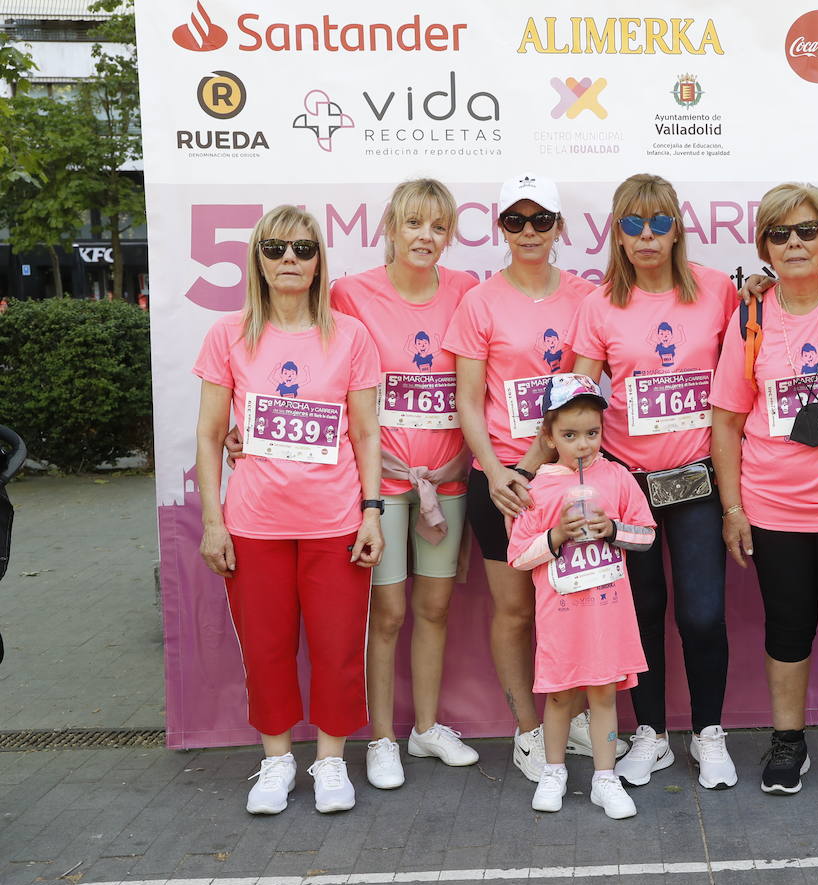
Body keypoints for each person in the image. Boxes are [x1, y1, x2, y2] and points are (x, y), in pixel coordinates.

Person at [193, 205, 383, 815]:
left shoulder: (350, 335)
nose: (289, 261)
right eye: (275, 250)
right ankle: (276, 761)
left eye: (302, 249)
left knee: (337, 648)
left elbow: (367, 434)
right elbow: (208, 433)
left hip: (336, 523)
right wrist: (213, 522)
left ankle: (331, 761)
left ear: (319, 259)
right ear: (258, 260)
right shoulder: (228, 335)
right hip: (253, 524)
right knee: (266, 648)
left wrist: (373, 511)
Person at [565, 173, 740, 790]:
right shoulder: (600, 304)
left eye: (658, 222)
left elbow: (747, 376)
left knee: (701, 614)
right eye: (632, 224)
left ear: (676, 228)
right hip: (628, 485)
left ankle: (710, 733)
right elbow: (578, 398)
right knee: (641, 613)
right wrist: (548, 474)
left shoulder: (718, 292)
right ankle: (652, 735)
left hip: (695, 481)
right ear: (616, 231)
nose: (645, 236)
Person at [710, 183, 818, 797]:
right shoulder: (751, 315)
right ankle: (788, 740)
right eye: (780, 234)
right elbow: (727, 421)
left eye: (807, 230)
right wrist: (733, 509)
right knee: (786, 627)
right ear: (764, 247)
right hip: (773, 505)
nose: (794, 244)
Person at [444, 174, 617, 782]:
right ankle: (526, 731)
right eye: (515, 221)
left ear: (559, 228)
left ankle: (563, 719)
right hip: (506, 483)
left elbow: (589, 389)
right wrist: (493, 471)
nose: (528, 232)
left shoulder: (585, 298)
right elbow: (468, 400)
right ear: (500, 229)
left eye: (540, 220)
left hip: (570, 480)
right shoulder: (480, 301)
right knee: (515, 611)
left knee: (571, 605)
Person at [329, 178, 480, 792]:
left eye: (438, 227)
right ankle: (382, 738)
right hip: (382, 483)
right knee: (387, 612)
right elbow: (324, 375)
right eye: (414, 223)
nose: (426, 237)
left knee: (436, 607)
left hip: (445, 482)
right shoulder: (350, 293)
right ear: (389, 227)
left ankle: (425, 727)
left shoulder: (467, 289)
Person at [508, 374, 656, 819]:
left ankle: (604, 777)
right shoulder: (537, 489)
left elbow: (646, 536)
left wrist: (613, 530)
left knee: (605, 695)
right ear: (549, 436)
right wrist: (554, 536)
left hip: (608, 617)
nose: (583, 445)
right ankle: (554, 770)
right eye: (570, 435)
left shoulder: (618, 478)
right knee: (558, 696)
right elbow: (518, 555)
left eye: (591, 433)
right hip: (561, 617)